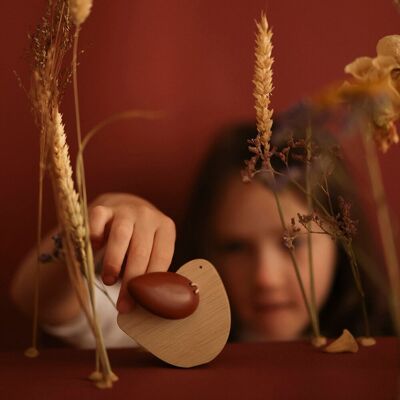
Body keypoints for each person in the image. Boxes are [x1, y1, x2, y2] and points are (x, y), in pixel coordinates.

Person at [10, 114, 393, 348]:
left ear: (342, 240)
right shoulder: (167, 335)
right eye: (235, 247)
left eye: (292, 243)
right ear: (206, 244)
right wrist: (88, 228)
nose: (265, 278)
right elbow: (39, 299)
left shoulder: (383, 343)